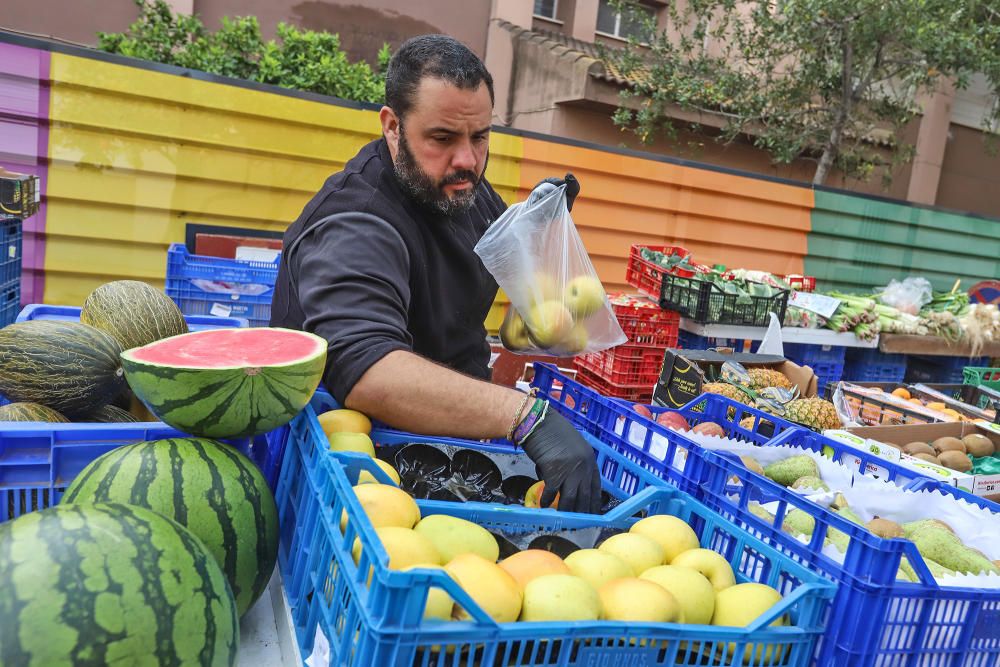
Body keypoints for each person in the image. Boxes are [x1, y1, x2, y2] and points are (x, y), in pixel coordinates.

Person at [270, 34, 600, 513]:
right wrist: (527, 419)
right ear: (392, 127)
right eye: (442, 138)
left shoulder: (457, 184)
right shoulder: (355, 222)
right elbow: (368, 370)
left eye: (480, 137)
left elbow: (489, 249)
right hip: (354, 480)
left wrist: (535, 226)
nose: (467, 158)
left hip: (447, 459)